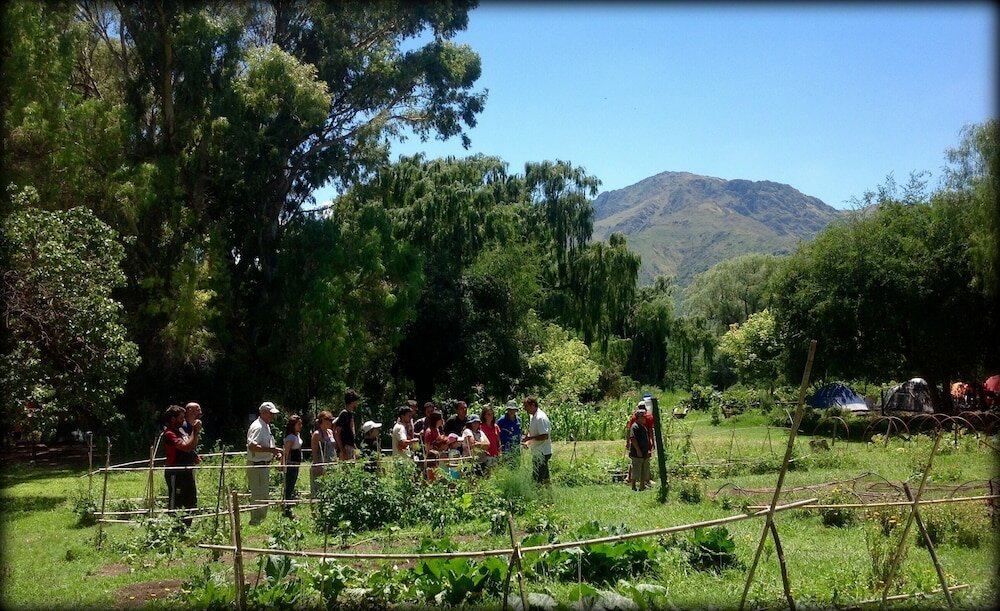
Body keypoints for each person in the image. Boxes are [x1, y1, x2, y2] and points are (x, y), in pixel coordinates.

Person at [163, 404, 200, 527]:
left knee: (190, 500)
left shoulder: (181, 430)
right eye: (181, 418)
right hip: (176, 472)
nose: (183, 420)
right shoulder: (169, 434)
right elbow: (185, 447)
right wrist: (195, 431)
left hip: (188, 470)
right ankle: (174, 528)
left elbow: (191, 446)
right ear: (173, 419)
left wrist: (194, 455)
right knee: (177, 501)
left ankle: (186, 528)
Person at [247, 401, 282, 525]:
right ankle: (255, 519)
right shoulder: (257, 426)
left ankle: (261, 518)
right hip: (256, 464)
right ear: (263, 413)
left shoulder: (266, 425)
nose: (273, 416)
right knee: (257, 493)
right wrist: (271, 450)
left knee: (264, 493)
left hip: (264, 464)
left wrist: (274, 452)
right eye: (271, 413)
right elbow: (252, 446)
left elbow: (268, 444)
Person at [521, 396, 552, 486]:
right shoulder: (533, 417)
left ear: (533, 405)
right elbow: (534, 433)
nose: (525, 409)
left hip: (542, 452)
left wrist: (529, 439)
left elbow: (544, 436)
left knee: (537, 479)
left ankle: (537, 497)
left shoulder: (540, 418)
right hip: (537, 451)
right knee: (546, 478)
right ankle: (549, 497)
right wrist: (527, 442)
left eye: (526, 406)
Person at [310, 410, 336, 497]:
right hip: (321, 464)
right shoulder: (317, 434)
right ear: (322, 420)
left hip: (331, 464)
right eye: (328, 419)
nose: (330, 422)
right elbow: (314, 451)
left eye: (331, 419)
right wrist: (317, 465)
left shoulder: (330, 432)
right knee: (318, 491)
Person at [281, 415, 303, 516]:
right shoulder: (290, 437)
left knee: (292, 486)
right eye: (299, 424)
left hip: (296, 464)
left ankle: (288, 507)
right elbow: (286, 452)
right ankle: (286, 508)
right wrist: (283, 465)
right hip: (291, 465)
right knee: (289, 487)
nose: (301, 426)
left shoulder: (297, 435)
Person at [627, 404, 652, 491]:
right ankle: (633, 486)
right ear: (639, 418)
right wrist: (638, 450)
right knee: (636, 469)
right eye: (643, 417)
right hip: (637, 452)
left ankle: (642, 486)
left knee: (644, 469)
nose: (645, 419)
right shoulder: (635, 426)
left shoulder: (643, 426)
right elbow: (633, 439)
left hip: (644, 451)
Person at [334, 389, 360, 460]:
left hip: (350, 447)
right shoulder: (344, 414)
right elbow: (337, 432)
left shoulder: (350, 414)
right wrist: (342, 450)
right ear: (352, 402)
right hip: (345, 447)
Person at [421, 411, 447, 479]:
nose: (442, 420)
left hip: (438, 456)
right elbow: (427, 448)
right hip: (431, 458)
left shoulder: (437, 430)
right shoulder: (429, 431)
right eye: (441, 418)